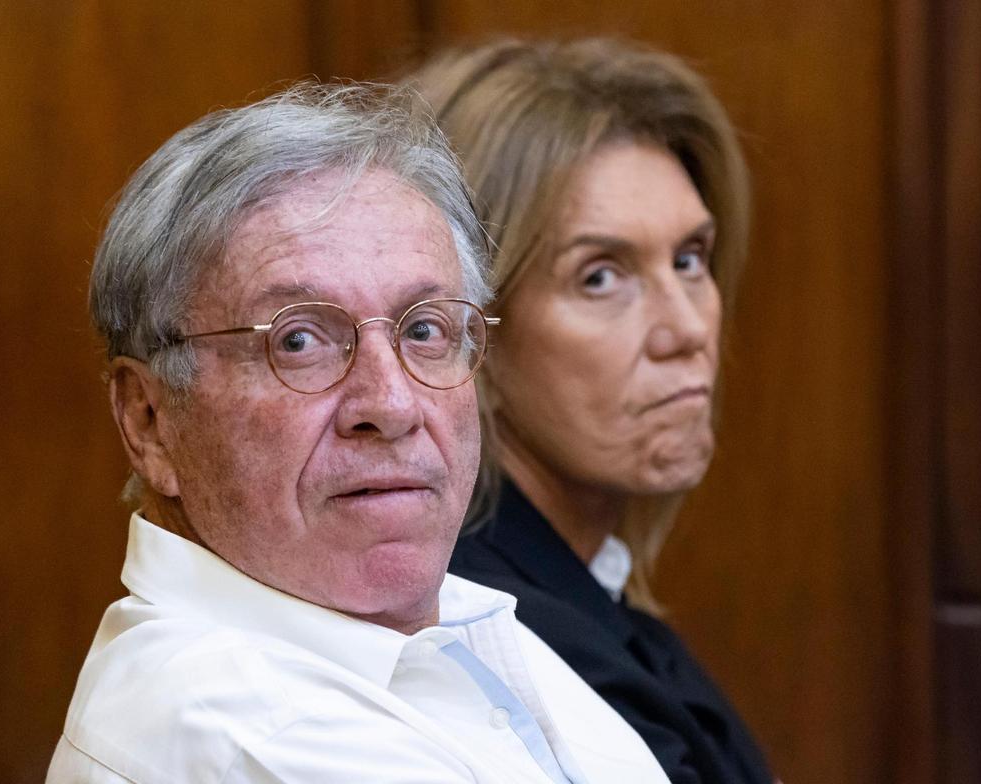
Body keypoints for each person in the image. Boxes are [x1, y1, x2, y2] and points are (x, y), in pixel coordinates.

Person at [47, 82, 671, 783]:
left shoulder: (440, 617)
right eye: (299, 341)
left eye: (425, 329)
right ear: (149, 421)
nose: (392, 402)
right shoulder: (242, 733)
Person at [407, 38, 776, 784]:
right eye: (601, 276)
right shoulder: (484, 640)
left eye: (690, 259)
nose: (689, 329)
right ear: (465, 334)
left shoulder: (583, 592)